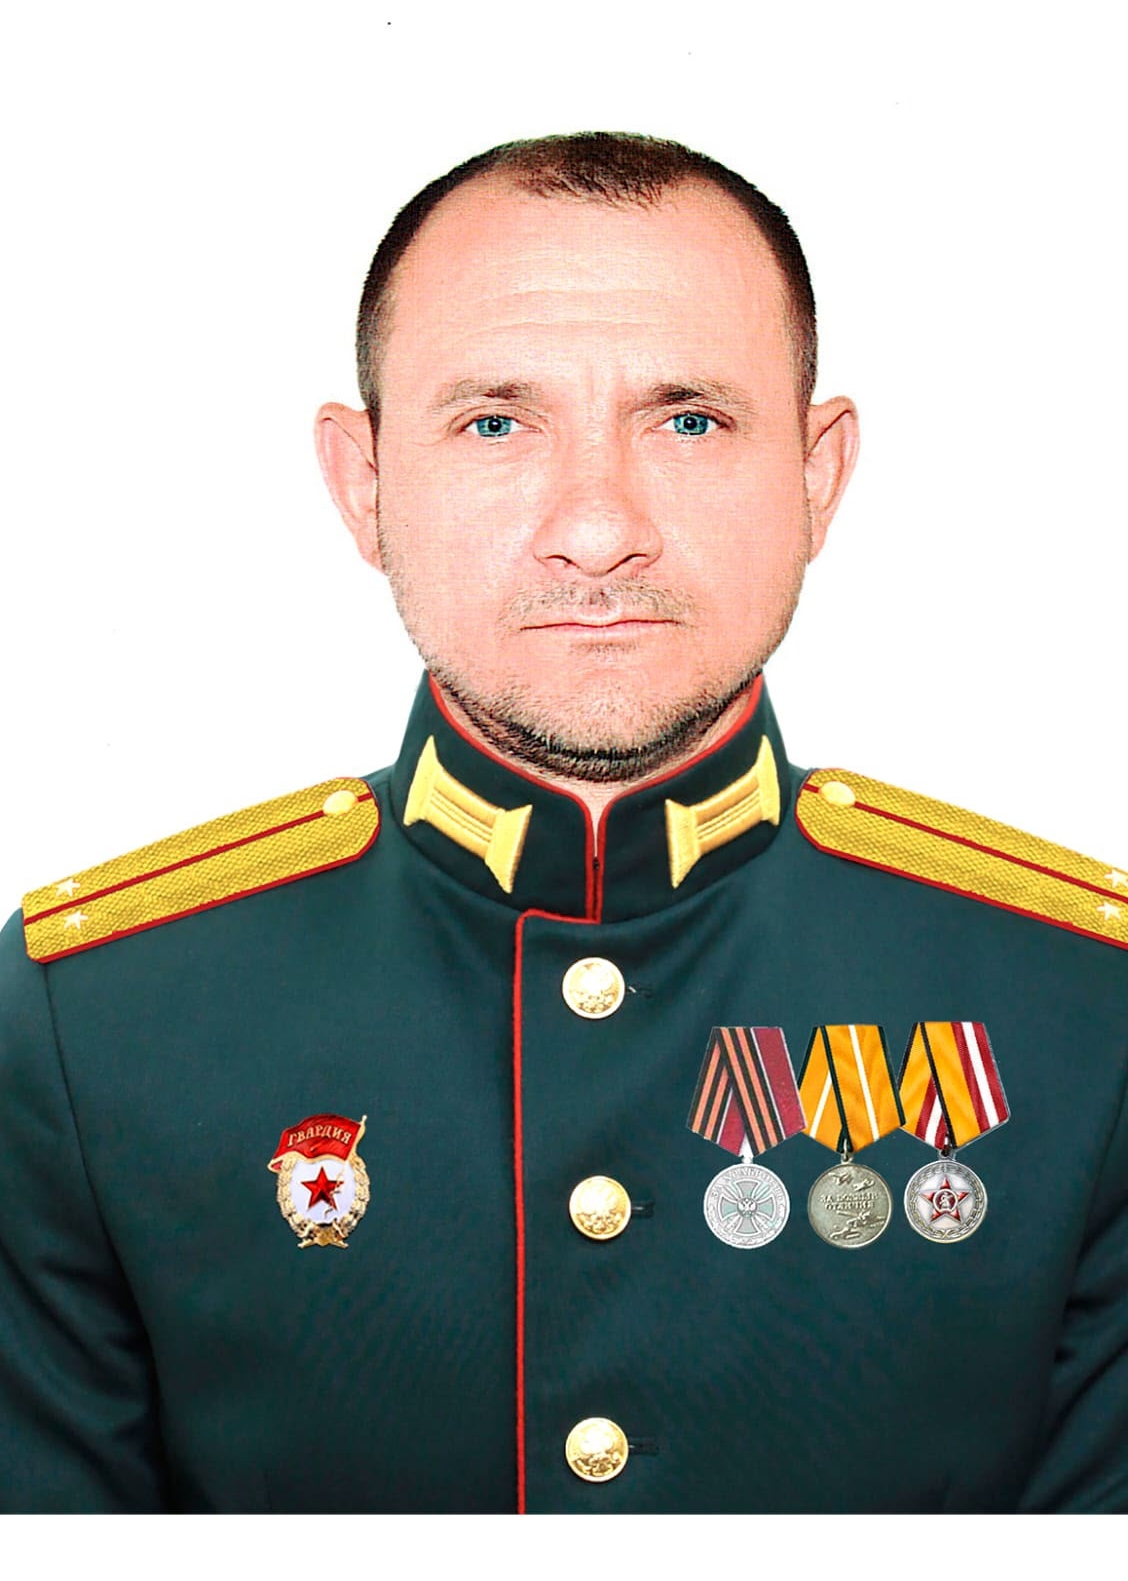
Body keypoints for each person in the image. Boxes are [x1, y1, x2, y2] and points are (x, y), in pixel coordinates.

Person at [1, 132, 1125, 1514]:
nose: (596, 529)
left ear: (819, 475)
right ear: (362, 485)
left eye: (689, 421)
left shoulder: (1086, 1010)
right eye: (495, 423)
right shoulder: (92, 1021)